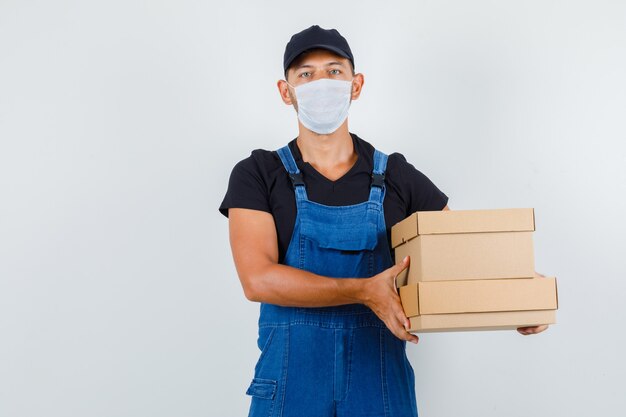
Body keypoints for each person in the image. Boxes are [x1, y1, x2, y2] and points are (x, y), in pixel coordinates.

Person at [219, 24, 547, 417]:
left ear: (356, 85)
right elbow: (258, 279)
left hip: (378, 387)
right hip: (291, 386)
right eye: (305, 74)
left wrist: (522, 294)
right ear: (285, 91)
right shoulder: (258, 173)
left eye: (334, 71)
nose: (320, 82)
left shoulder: (397, 176)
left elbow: (458, 259)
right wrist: (364, 290)